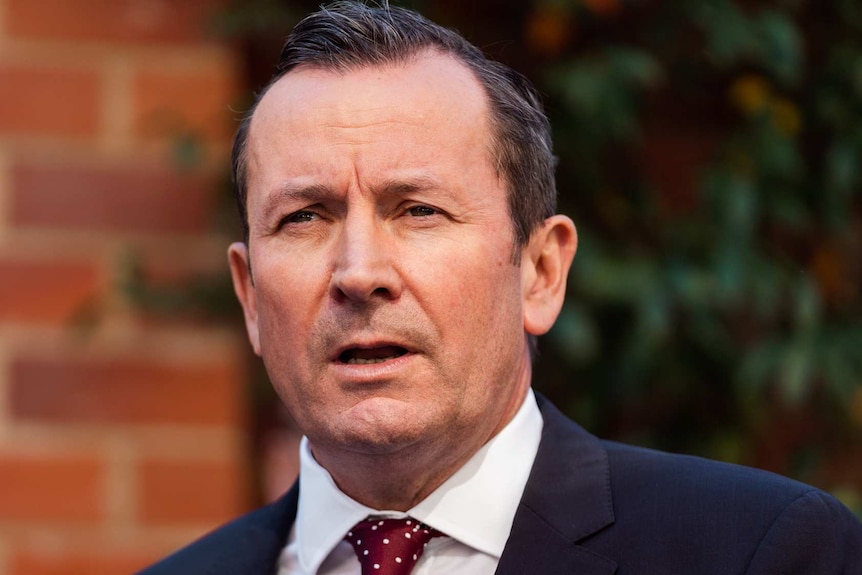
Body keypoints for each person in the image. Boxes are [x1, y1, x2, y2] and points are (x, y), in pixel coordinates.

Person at [139, 2, 862, 574]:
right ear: (251, 297)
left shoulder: (759, 552)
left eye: (418, 210)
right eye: (304, 216)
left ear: (541, 271)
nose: (360, 272)